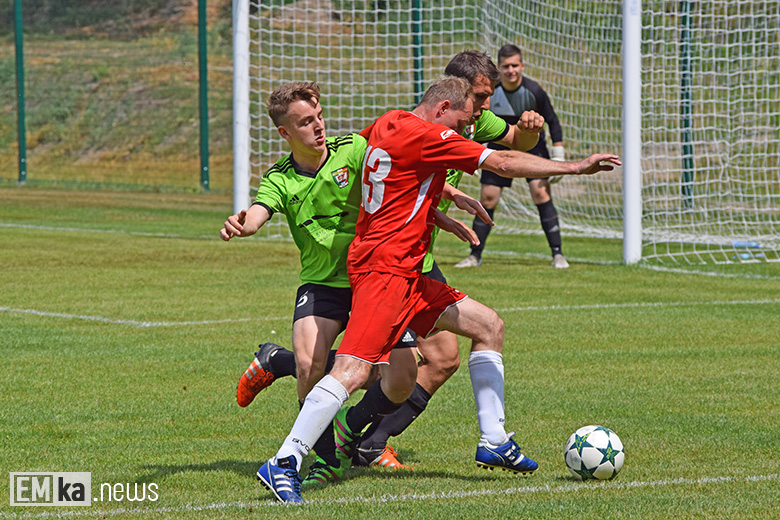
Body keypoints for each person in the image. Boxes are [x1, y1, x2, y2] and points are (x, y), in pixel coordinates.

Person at [256, 76, 620, 503]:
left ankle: (494, 440)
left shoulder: (388, 122)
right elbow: (502, 162)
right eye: (465, 119)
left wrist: (439, 208)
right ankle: (284, 461)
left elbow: (394, 178)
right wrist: (575, 167)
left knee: (489, 326)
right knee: (352, 372)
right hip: (385, 272)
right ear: (443, 108)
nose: (467, 128)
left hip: (407, 272)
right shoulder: (430, 135)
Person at [236, 51, 546, 472]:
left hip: (411, 262)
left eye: (319, 117)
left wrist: (443, 203)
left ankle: (373, 438)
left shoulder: (453, 124)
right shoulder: (301, 169)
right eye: (479, 99)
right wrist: (246, 223)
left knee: (430, 362)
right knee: (333, 367)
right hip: (354, 272)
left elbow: (512, 147)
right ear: (450, 96)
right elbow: (401, 169)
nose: (483, 112)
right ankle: (304, 451)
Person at [456, 44, 570, 270]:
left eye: (515, 65)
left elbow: (553, 121)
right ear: (499, 68)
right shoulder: (489, 93)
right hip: (499, 147)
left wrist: (558, 152)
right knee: (488, 197)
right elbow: (479, 122)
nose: (511, 70)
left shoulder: (534, 91)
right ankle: (474, 255)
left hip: (533, 146)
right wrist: (473, 151)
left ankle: (558, 254)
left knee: (540, 193)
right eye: (506, 66)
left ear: (522, 66)